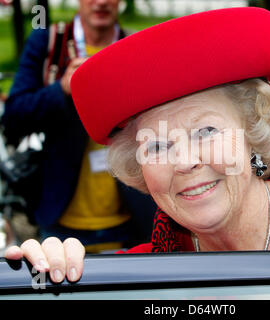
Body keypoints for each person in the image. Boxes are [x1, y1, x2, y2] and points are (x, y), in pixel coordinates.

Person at [5, 7, 270, 283]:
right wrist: (49, 274)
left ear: (252, 130)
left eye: (206, 132)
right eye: (157, 146)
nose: (184, 162)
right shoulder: (137, 276)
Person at [1, 0, 156, 252]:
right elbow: (14, 116)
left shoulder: (136, 45)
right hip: (61, 221)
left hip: (133, 218)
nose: (102, 2)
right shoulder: (50, 41)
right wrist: (61, 89)